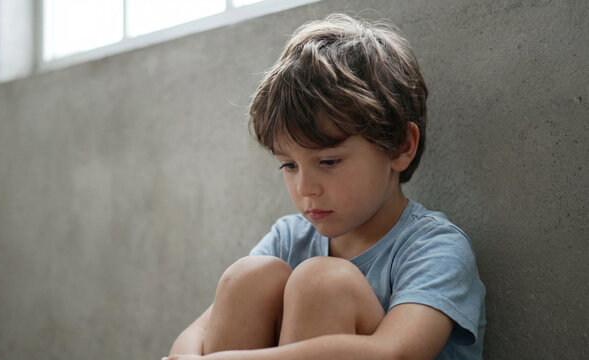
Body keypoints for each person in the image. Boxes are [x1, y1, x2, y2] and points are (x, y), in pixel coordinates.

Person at [164, 13, 485, 360]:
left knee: (323, 283)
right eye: (289, 165)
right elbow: (197, 332)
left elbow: (394, 352)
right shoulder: (289, 239)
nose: (305, 188)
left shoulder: (433, 246)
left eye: (328, 162)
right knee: (249, 276)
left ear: (400, 146)